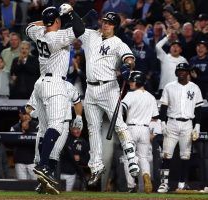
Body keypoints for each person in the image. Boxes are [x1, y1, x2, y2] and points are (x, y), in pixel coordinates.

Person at [25, 4, 85, 194]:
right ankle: (43, 165)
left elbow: (28, 27)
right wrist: (70, 12)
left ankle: (44, 171)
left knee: (43, 129)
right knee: (57, 126)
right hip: (55, 84)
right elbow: (79, 29)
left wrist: (48, 20)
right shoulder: (56, 36)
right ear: (57, 21)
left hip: (40, 84)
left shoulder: (39, 32)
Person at [77, 11, 140, 186]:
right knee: (93, 129)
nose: (105, 25)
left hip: (109, 88)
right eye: (104, 21)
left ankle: (132, 158)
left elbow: (129, 58)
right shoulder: (90, 35)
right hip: (90, 89)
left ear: (114, 26)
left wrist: (128, 66)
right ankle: (96, 167)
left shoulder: (117, 42)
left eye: (109, 23)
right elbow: (76, 28)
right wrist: (75, 15)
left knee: (119, 124)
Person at [26, 80, 83, 195]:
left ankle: (43, 184)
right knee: (38, 158)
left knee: (54, 154)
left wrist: (79, 116)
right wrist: (33, 113)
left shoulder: (68, 85)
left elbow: (77, 102)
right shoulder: (40, 83)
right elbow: (28, 106)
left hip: (63, 123)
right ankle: (43, 181)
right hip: (44, 123)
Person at [157, 63, 204, 193]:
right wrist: (162, 123)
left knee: (185, 155)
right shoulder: (169, 87)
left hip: (188, 124)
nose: (182, 72)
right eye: (180, 70)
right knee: (166, 154)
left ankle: (182, 183)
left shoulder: (194, 87)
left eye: (184, 70)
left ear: (188, 72)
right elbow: (164, 106)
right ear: (176, 73)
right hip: (172, 123)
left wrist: (197, 125)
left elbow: (198, 108)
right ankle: (163, 183)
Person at [121, 71, 159, 194]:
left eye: (132, 81)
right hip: (145, 129)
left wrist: (118, 103)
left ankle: (131, 186)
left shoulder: (130, 95)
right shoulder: (151, 97)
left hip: (131, 128)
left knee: (129, 158)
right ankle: (146, 174)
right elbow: (155, 117)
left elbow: (122, 110)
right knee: (144, 158)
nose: (130, 83)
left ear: (138, 82)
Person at [10, 107, 38, 180]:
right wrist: (22, 130)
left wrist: (28, 130)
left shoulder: (37, 126)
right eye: (25, 114)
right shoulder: (15, 128)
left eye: (29, 114)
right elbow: (10, 144)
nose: (27, 116)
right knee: (22, 186)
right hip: (20, 161)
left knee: (35, 185)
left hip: (33, 161)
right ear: (20, 115)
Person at [60, 126, 90, 191]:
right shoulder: (64, 138)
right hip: (59, 172)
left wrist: (80, 158)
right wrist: (72, 155)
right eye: (75, 129)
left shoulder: (83, 142)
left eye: (79, 129)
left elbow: (87, 159)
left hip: (71, 174)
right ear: (71, 129)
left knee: (67, 195)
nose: (77, 131)